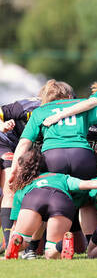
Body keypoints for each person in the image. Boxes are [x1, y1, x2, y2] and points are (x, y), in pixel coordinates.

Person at [5, 148, 97, 260]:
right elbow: (87, 184)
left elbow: (15, 224)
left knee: (22, 239)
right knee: (51, 252)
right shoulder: (60, 177)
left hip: (34, 197)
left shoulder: (23, 187)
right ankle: (60, 245)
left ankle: (19, 240)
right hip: (61, 201)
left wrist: (8, 249)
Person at [0, 97, 41, 248]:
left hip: (24, 150)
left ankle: (13, 242)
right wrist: (2, 125)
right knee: (11, 189)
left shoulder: (67, 111)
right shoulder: (29, 105)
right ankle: (7, 242)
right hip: (5, 143)